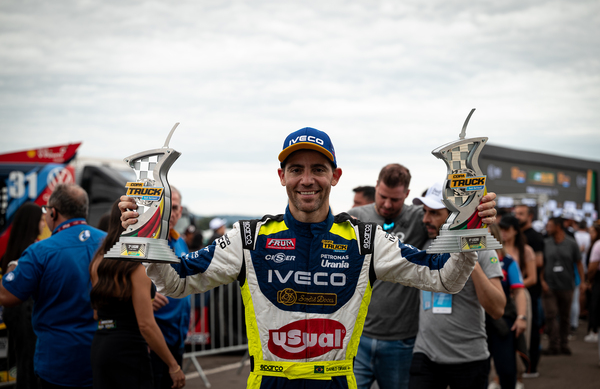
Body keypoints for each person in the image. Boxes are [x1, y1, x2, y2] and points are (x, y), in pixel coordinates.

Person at [119, 127, 498, 389]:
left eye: (318, 169)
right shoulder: (249, 237)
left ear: (335, 176)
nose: (307, 179)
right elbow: (176, 281)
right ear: (281, 175)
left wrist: (469, 227)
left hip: (335, 380)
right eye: (296, 169)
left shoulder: (365, 239)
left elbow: (444, 278)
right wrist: (146, 233)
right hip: (270, 381)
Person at [0, 184, 106, 388]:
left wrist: (13, 267)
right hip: (102, 354)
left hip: (58, 362)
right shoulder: (109, 242)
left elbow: (6, 296)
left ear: (53, 213)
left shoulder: (40, 251)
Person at [408, 184, 506, 389]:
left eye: (434, 213)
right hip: (425, 355)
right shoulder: (424, 246)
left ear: (454, 217)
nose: (426, 219)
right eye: (425, 212)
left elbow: (497, 309)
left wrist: (470, 259)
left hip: (468, 359)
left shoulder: (482, 248)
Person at [90, 201, 185, 389]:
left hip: (101, 345)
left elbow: (96, 314)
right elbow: (146, 325)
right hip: (129, 349)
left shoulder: (98, 259)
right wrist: (173, 365)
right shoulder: (137, 265)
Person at [348, 164, 428, 389]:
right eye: (383, 196)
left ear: (407, 194)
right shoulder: (359, 217)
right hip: (358, 336)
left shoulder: (419, 218)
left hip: (401, 340)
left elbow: (449, 221)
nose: (387, 204)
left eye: (395, 199)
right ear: (376, 187)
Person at [0, 203, 44, 389]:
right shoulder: (32, 251)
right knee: (28, 363)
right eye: (41, 220)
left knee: (21, 360)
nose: (44, 224)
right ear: (32, 223)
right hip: (25, 312)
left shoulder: (13, 249)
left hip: (14, 312)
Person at [151, 187, 191, 389]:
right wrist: (145, 298)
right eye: (165, 206)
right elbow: (121, 280)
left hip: (178, 335)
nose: (171, 212)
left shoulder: (179, 241)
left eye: (174, 207)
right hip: (154, 340)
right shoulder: (147, 242)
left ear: (180, 211)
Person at [486, 223, 528, 389]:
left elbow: (519, 291)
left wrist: (521, 317)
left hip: (502, 321)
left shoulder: (508, 261)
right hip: (476, 322)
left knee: (506, 368)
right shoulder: (469, 260)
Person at [540, 217, 584, 356]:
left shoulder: (571, 244)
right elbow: (541, 264)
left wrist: (582, 282)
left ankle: (564, 344)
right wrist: (542, 281)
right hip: (550, 286)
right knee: (551, 315)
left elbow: (579, 263)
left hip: (567, 286)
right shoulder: (546, 243)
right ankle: (554, 344)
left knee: (565, 316)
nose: (547, 228)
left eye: (550, 225)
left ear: (558, 227)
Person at [512, 204, 544, 377]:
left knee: (532, 328)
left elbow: (539, 263)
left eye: (521, 213)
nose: (517, 216)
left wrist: (515, 280)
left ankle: (531, 367)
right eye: (516, 213)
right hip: (515, 292)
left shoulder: (534, 238)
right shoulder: (516, 239)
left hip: (530, 292)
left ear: (530, 216)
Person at [586, 223, 600, 364]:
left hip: (598, 281)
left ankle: (594, 330)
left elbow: (592, 268)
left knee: (595, 308)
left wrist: (589, 280)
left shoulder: (597, 245)